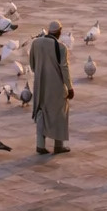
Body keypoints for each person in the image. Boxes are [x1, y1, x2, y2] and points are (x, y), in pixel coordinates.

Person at [29, 22, 73, 155]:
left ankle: (40, 145)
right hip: (56, 85)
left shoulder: (36, 43)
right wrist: (70, 87)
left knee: (41, 112)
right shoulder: (61, 47)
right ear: (59, 32)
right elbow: (64, 68)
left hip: (40, 83)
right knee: (60, 113)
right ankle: (58, 145)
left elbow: (32, 64)